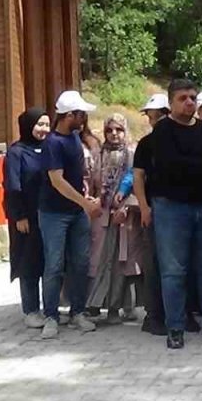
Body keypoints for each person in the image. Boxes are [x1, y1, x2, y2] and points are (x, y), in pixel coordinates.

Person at [149, 79, 202, 350]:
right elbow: (170, 167)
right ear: (171, 102)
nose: (189, 102)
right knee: (173, 271)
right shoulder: (162, 131)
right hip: (171, 208)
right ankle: (175, 327)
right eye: (183, 98)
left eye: (193, 97)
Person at [38, 90, 102, 340]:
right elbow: (57, 181)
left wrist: (86, 197)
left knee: (81, 263)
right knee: (54, 265)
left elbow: (78, 177)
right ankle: (51, 316)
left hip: (76, 212)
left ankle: (78, 311)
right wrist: (85, 204)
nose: (84, 118)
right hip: (54, 213)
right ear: (69, 116)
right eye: (80, 113)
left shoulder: (75, 139)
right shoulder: (52, 143)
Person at [85, 114, 141, 324]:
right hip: (101, 216)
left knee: (121, 262)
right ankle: (95, 303)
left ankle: (118, 307)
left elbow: (138, 180)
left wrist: (126, 206)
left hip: (125, 217)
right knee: (99, 259)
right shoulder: (98, 154)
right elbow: (92, 182)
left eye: (119, 129)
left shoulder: (132, 154)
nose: (114, 134)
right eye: (110, 130)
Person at [4, 108, 49, 330]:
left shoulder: (49, 148)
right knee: (28, 261)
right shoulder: (17, 152)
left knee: (48, 261)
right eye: (39, 124)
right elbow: (13, 186)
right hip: (26, 216)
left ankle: (50, 308)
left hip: (49, 214)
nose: (44, 129)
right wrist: (18, 215)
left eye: (46, 124)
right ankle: (31, 309)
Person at [132, 93, 169, 336]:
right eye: (152, 117)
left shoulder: (181, 139)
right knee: (154, 263)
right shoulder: (146, 144)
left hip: (179, 208)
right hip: (155, 208)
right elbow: (138, 177)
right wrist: (144, 207)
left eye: (159, 116)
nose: (155, 121)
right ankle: (154, 315)